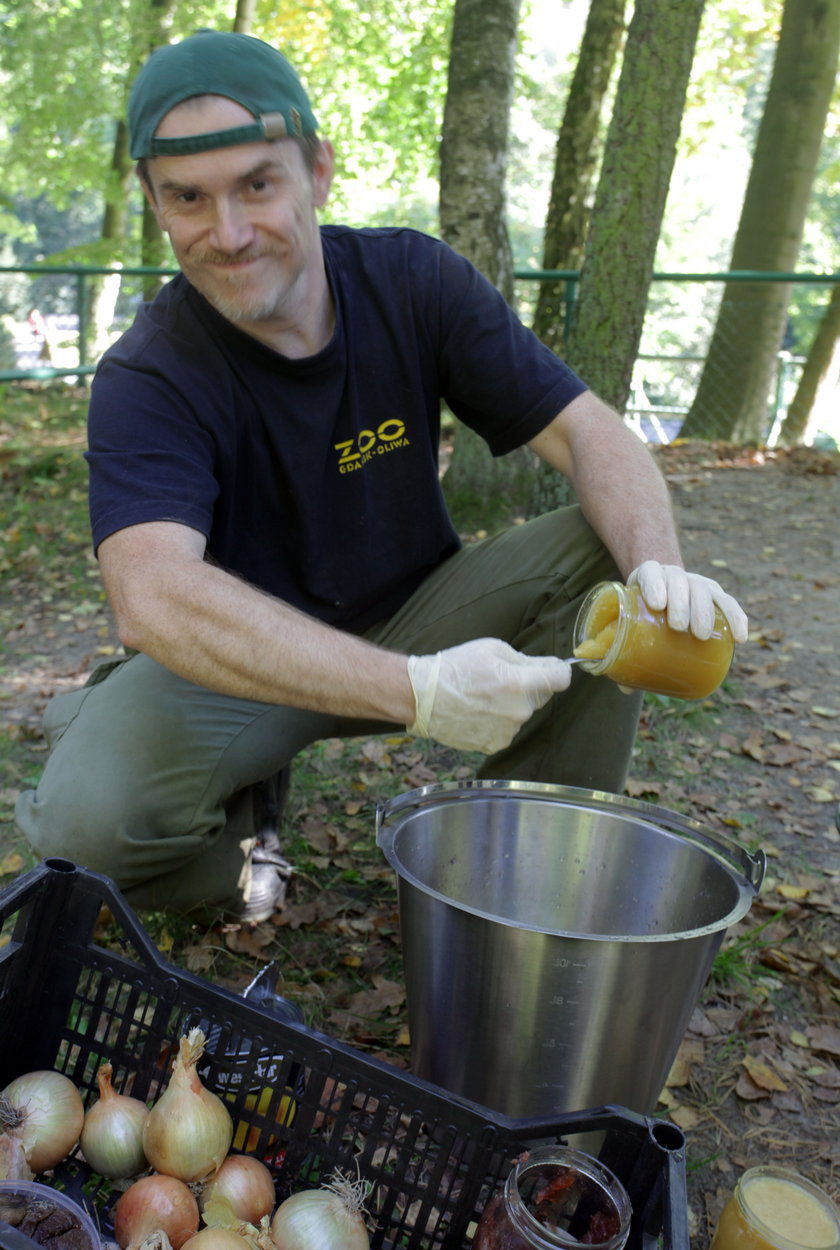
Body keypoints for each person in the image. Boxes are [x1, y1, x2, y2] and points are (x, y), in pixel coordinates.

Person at [15, 30, 747, 923]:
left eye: (258, 184)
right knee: (82, 831)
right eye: (189, 199)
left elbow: (589, 430)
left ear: (317, 170)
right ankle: (220, 838)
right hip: (249, 664)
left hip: (419, 615)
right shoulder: (148, 372)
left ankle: (529, 881)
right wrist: (421, 695)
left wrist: (654, 571)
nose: (230, 232)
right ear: (155, 203)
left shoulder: (413, 279)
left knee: (602, 550)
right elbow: (153, 595)